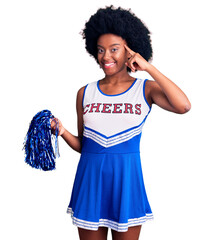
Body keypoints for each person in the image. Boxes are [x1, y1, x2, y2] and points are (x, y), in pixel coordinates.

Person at [51, 5, 191, 240]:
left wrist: (147, 67)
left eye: (114, 49)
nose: (106, 56)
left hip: (127, 183)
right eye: (100, 50)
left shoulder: (145, 89)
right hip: (90, 182)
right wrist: (62, 131)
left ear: (130, 50)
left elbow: (183, 106)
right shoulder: (84, 93)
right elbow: (85, 146)